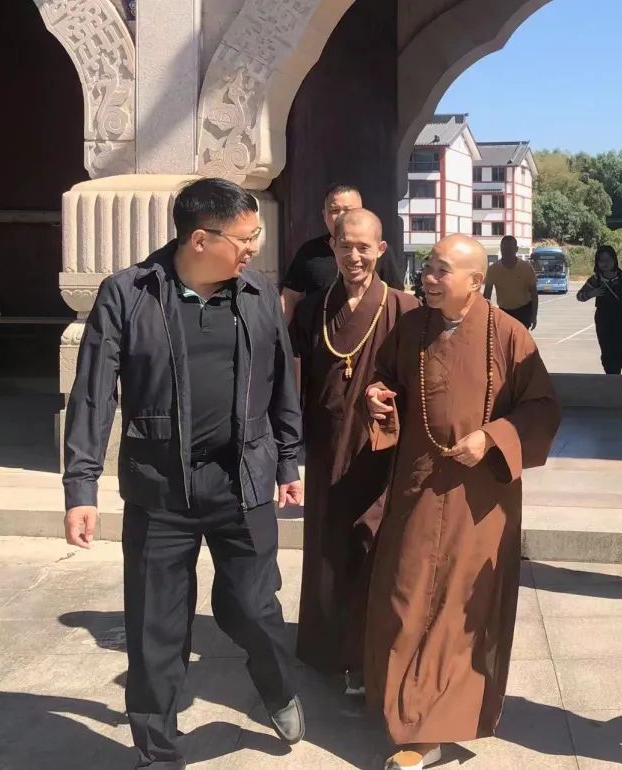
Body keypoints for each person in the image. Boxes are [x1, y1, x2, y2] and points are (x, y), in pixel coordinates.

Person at [62, 178, 306, 769]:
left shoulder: (256, 293)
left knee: (253, 607)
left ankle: (277, 687)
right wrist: (82, 485)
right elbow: (93, 392)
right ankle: (158, 753)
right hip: (160, 490)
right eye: (245, 238)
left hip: (242, 482)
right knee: (156, 630)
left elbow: (281, 381)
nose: (254, 247)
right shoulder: (128, 293)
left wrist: (288, 460)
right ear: (200, 239)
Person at [364, 234, 561, 770]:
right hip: (420, 485)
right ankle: (402, 702)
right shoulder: (412, 328)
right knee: (406, 594)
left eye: (441, 270)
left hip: (480, 498)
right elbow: (385, 379)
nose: (428, 277)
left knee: (456, 608)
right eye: (428, 267)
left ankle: (429, 731)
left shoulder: (509, 334)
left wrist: (492, 437)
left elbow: (543, 409)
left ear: (476, 281)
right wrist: (378, 397)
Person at [289, 209, 419, 693]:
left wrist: (391, 401)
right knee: (328, 546)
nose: (354, 256)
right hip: (326, 449)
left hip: (378, 452)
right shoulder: (312, 310)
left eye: (364, 247)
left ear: (381, 249)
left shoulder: (404, 309)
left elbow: (421, 382)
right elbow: (293, 382)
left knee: (371, 546)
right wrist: (286, 452)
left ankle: (365, 653)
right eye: (345, 246)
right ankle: (326, 647)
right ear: (332, 247)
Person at [281, 183, 363, 325]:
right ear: (324, 215)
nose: (341, 216)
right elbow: (290, 297)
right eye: (334, 210)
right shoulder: (310, 251)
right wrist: (282, 333)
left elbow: (392, 296)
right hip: (319, 333)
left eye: (348, 210)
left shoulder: (375, 252)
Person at [576, 244, 622, 373]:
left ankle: (615, 373)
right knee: (606, 349)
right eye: (601, 260)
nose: (605, 263)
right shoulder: (595, 279)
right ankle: (611, 374)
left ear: (614, 260)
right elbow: (579, 296)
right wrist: (592, 293)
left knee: (620, 348)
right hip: (603, 319)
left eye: (608, 259)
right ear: (597, 262)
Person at [484, 235, 538, 330]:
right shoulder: (493, 269)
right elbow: (486, 295)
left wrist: (534, 315)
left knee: (520, 337)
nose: (506, 252)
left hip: (523, 311)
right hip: (504, 312)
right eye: (503, 249)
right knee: (505, 337)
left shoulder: (526, 267)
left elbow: (534, 294)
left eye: (509, 249)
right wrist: (484, 316)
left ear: (516, 249)